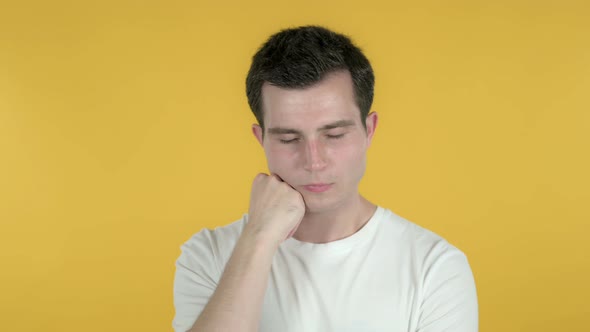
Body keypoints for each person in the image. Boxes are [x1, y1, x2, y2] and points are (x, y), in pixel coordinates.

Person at [173, 25, 478, 332]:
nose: (314, 161)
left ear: (369, 130)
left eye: (334, 135)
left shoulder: (434, 268)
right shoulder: (208, 256)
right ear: (260, 138)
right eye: (289, 139)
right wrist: (258, 239)